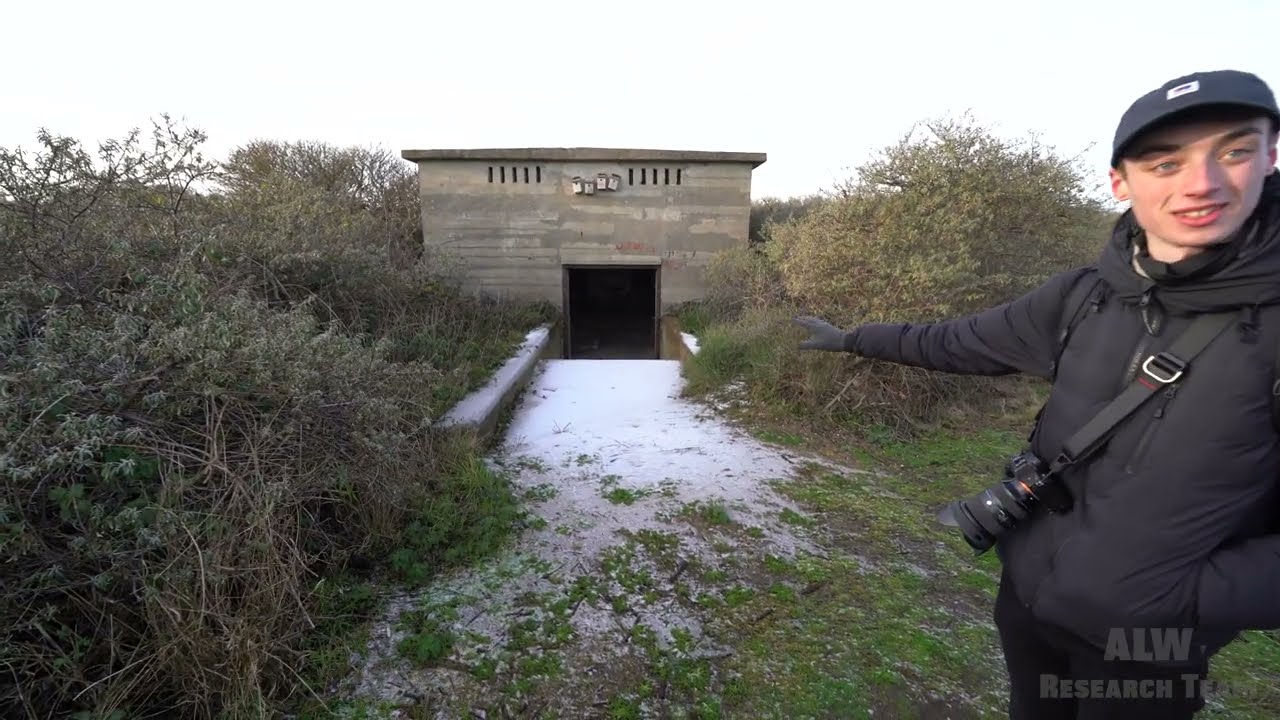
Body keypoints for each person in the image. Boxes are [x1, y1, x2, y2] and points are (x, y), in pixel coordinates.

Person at [794, 69, 1280, 719]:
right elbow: (959, 341)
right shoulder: (1085, 295)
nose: (1201, 183)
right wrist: (855, 339)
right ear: (1120, 182)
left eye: (1234, 150)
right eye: (1165, 163)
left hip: (1145, 641)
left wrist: (1174, 601)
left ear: (1270, 156)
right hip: (1027, 602)